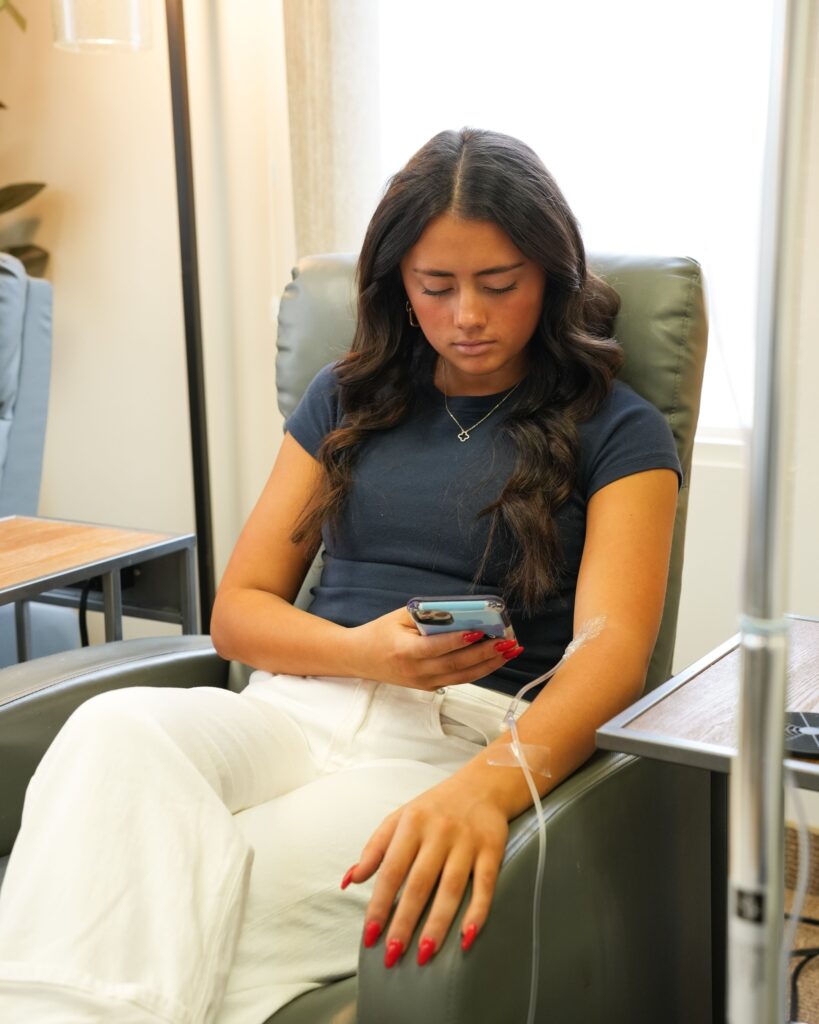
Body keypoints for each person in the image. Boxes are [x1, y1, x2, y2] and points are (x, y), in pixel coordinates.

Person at [0, 128, 680, 1023]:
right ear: (397, 283)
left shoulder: (618, 431)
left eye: (499, 284)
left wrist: (484, 792)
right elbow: (238, 612)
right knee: (113, 731)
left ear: (551, 276)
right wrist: (366, 654)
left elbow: (611, 651)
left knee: (169, 891)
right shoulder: (348, 395)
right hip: (288, 708)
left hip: (453, 738)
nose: (466, 315)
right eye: (435, 287)